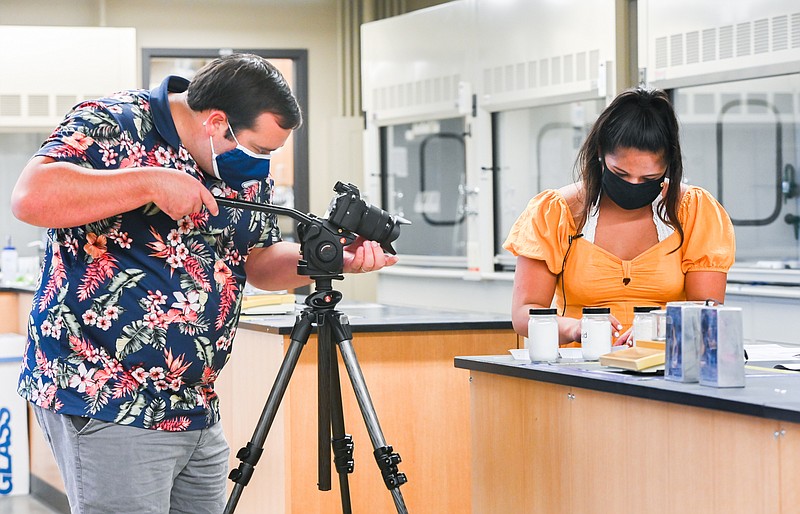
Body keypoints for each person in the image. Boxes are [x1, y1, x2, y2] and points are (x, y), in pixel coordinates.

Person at [12, 53, 398, 514]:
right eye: (261, 149)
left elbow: (258, 260)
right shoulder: (114, 121)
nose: (263, 162)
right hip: (106, 394)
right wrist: (148, 183)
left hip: (194, 403)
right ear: (216, 122)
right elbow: (31, 197)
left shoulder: (241, 169)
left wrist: (331, 261)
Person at [504, 87, 734, 347]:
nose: (634, 184)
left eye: (649, 178)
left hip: (665, 365)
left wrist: (661, 328)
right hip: (579, 367)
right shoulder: (555, 212)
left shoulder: (693, 210)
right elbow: (524, 314)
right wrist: (577, 328)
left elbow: (706, 307)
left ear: (668, 165)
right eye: (621, 174)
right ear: (601, 153)